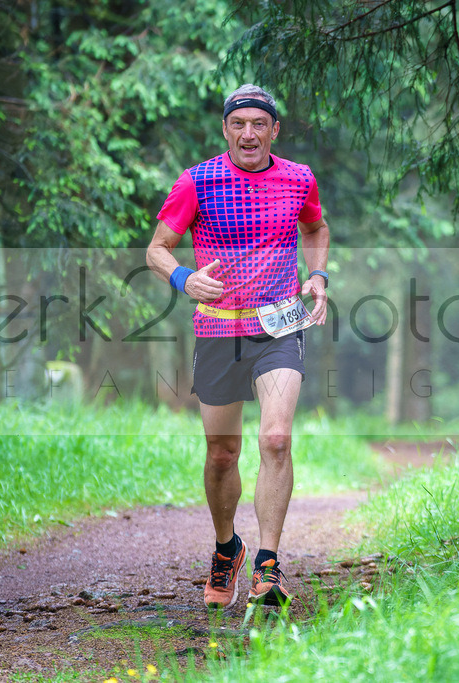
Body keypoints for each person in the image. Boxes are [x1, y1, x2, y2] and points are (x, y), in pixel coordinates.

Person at [146, 84, 330, 608]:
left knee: (275, 439)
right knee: (223, 453)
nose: (248, 133)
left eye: (258, 124)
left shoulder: (299, 178)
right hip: (218, 328)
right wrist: (184, 278)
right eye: (238, 124)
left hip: (279, 325)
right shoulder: (197, 181)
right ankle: (228, 548)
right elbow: (157, 249)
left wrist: (317, 276)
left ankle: (269, 566)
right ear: (225, 128)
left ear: (275, 129)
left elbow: (316, 228)